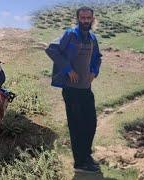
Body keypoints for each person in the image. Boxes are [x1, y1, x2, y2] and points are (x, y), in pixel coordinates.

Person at [45, 6, 102, 173]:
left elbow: (98, 57)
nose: (85, 21)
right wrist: (68, 69)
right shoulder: (70, 34)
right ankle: (80, 163)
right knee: (77, 126)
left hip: (86, 88)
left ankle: (86, 155)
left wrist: (94, 71)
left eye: (88, 18)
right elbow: (51, 49)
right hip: (71, 89)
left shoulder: (92, 38)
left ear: (92, 19)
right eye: (82, 18)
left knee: (90, 123)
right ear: (78, 18)